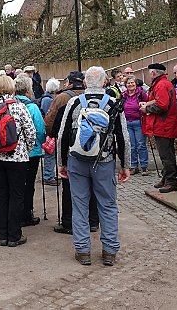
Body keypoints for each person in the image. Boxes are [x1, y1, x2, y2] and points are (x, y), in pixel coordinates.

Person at [56, 66, 130, 266]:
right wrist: (125, 165)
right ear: (105, 83)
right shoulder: (112, 104)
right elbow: (122, 136)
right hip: (104, 161)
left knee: (79, 205)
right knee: (107, 205)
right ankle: (109, 251)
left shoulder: (74, 103)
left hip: (77, 161)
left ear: (85, 83)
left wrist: (61, 163)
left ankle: (83, 251)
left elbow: (62, 136)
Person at [45, 71, 99, 235]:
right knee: (93, 185)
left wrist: (51, 134)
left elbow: (51, 122)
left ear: (69, 83)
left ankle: (68, 222)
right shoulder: (95, 97)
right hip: (95, 149)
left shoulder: (62, 98)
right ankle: (93, 220)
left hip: (70, 149)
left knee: (70, 187)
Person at [0, 75, 36, 247]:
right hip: (17, 158)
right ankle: (14, 235)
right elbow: (31, 133)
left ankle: (2, 234)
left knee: (1, 195)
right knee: (17, 195)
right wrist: (26, 150)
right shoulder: (19, 107)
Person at [140, 63, 177, 193]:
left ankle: (171, 181)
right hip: (162, 125)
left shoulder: (161, 85)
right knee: (164, 154)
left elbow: (162, 106)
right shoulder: (161, 84)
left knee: (166, 154)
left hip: (164, 125)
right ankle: (166, 177)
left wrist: (146, 108)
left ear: (153, 73)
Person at [15, 74, 46, 227]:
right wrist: (40, 143)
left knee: (16, 184)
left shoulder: (11, 104)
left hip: (13, 151)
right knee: (29, 184)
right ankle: (26, 214)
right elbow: (40, 130)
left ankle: (15, 213)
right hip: (32, 152)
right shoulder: (32, 107)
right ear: (28, 90)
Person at [122, 75, 149, 174]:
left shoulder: (141, 93)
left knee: (141, 144)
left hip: (139, 122)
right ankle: (133, 166)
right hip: (128, 123)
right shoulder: (124, 95)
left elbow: (148, 103)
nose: (130, 84)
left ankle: (144, 166)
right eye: (128, 83)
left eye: (132, 82)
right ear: (126, 85)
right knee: (131, 146)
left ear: (136, 83)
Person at [40, 78, 60, 185]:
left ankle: (50, 174)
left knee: (52, 153)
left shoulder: (46, 98)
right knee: (50, 153)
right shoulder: (48, 100)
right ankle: (48, 175)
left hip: (50, 129)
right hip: (50, 130)